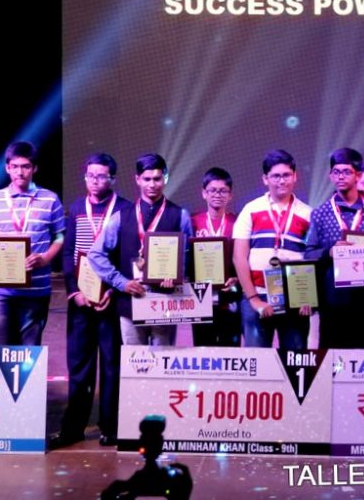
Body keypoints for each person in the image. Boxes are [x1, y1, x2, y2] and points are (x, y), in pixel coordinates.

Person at [50, 153, 130, 449]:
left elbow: (125, 256)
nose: (95, 181)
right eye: (90, 176)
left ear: (113, 179)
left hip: (110, 300)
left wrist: (113, 290)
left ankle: (111, 427)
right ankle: (74, 428)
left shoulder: (124, 209)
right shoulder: (76, 208)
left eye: (101, 176)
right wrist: (74, 291)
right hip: (81, 301)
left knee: (111, 365)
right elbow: (68, 252)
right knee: (80, 366)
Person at [89, 153, 193, 347]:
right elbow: (95, 254)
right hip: (130, 302)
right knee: (134, 362)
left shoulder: (181, 216)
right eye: (146, 179)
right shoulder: (121, 217)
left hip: (165, 303)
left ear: (165, 178)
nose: (152, 184)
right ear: (137, 179)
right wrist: (121, 283)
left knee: (163, 361)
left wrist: (177, 277)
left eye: (157, 179)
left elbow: (187, 258)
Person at [0, 141, 65, 345]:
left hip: (35, 288)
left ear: (34, 168)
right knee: (0, 351)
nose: (20, 172)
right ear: (7, 168)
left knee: (30, 352)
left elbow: (60, 237)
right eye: (15, 166)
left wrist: (45, 259)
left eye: (26, 166)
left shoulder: (50, 199)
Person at [305, 148, 364, 349]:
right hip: (333, 303)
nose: (341, 177)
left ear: (358, 176)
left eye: (346, 172)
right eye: (336, 172)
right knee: (334, 362)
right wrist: (329, 252)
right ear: (330, 176)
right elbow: (308, 254)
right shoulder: (320, 214)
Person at [232, 149, 312, 349]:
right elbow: (239, 257)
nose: (281, 181)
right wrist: (253, 299)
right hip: (257, 297)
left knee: (294, 361)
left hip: (294, 300)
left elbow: (311, 258)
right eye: (275, 176)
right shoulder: (251, 209)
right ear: (265, 179)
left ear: (295, 176)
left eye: (286, 175)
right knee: (257, 363)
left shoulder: (308, 213)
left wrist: (307, 297)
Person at [191, 167, 240, 347]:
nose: (217, 195)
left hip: (229, 295)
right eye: (212, 190)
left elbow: (244, 257)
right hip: (200, 296)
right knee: (202, 348)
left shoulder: (238, 222)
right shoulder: (193, 221)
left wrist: (237, 279)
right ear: (204, 193)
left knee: (230, 350)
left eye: (223, 191)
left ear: (230, 195)